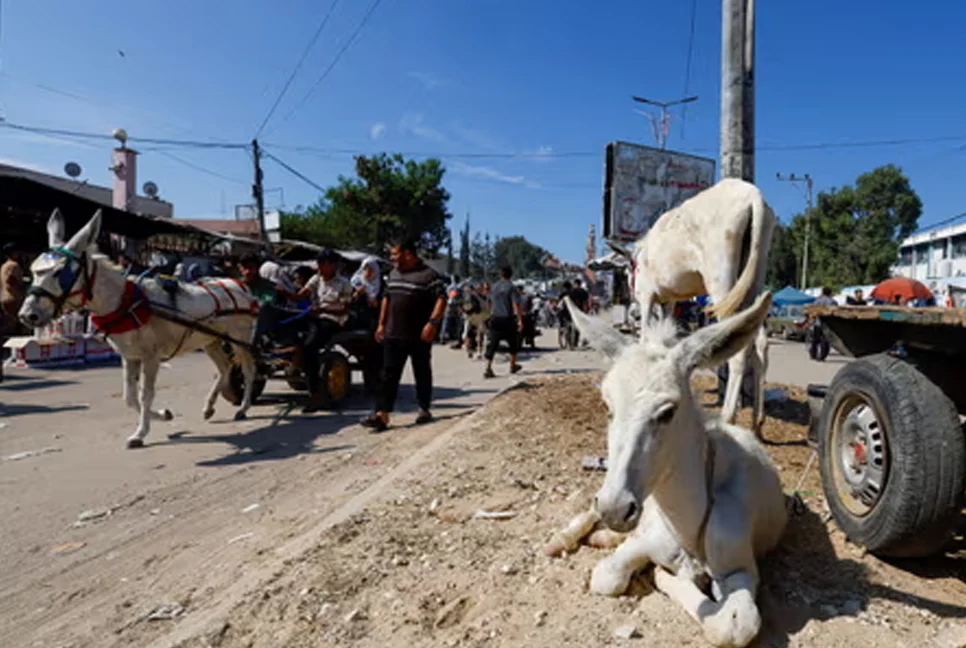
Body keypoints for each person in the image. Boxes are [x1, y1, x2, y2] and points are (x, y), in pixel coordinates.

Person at [361, 238, 447, 433]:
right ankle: (382, 414)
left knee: (422, 371)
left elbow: (441, 299)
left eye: (394, 254)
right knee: (388, 374)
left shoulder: (428, 275)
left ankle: (424, 409)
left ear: (408, 254)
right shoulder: (393, 273)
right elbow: (387, 298)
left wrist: (432, 323)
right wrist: (382, 324)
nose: (391, 258)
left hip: (419, 335)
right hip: (394, 333)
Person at [297, 249, 354, 412]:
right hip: (317, 317)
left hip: (334, 321)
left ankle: (315, 394)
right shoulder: (316, 279)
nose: (320, 267)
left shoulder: (344, 283)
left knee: (310, 349)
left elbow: (344, 310)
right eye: (319, 264)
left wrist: (322, 311)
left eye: (323, 264)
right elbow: (301, 295)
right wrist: (282, 292)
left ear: (333, 265)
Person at [483, 267, 524, 379]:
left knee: (492, 344)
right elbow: (515, 304)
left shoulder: (494, 286)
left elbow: (490, 302)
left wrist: (490, 314)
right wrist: (520, 320)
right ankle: (512, 365)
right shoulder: (511, 287)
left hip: (495, 318)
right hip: (508, 319)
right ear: (511, 275)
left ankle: (488, 368)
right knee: (513, 343)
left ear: (500, 275)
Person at [350, 255, 383, 330]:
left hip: (372, 319)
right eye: (365, 269)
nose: (368, 273)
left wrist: (374, 302)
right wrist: (357, 294)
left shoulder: (380, 285)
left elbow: (381, 302)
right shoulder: (356, 282)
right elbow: (349, 300)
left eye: (371, 270)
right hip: (356, 317)